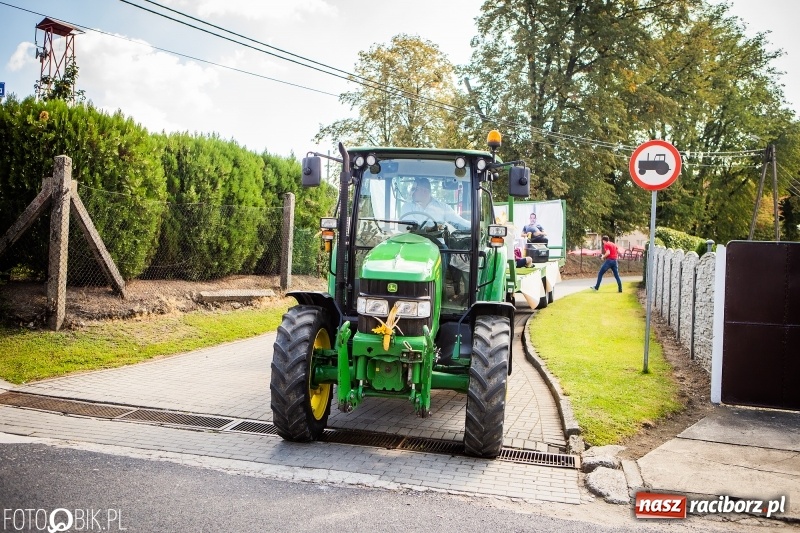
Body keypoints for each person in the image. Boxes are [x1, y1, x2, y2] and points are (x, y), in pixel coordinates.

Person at [401, 178, 469, 230]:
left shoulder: (443, 208)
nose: (412, 193)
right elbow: (408, 226)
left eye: (415, 189)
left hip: (437, 243)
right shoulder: (407, 207)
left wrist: (474, 226)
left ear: (424, 191)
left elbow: (459, 221)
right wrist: (433, 227)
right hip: (414, 242)